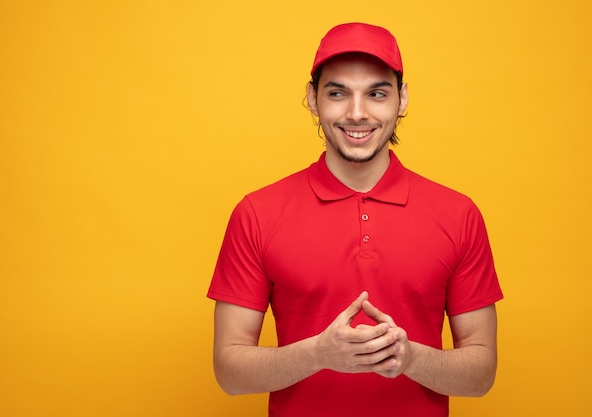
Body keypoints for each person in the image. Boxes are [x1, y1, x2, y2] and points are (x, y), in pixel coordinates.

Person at [207, 22, 503, 417]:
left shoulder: (458, 214)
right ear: (312, 99)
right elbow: (229, 372)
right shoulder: (257, 213)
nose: (357, 113)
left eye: (377, 93)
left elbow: (481, 374)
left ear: (402, 99)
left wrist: (410, 358)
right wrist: (318, 354)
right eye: (337, 93)